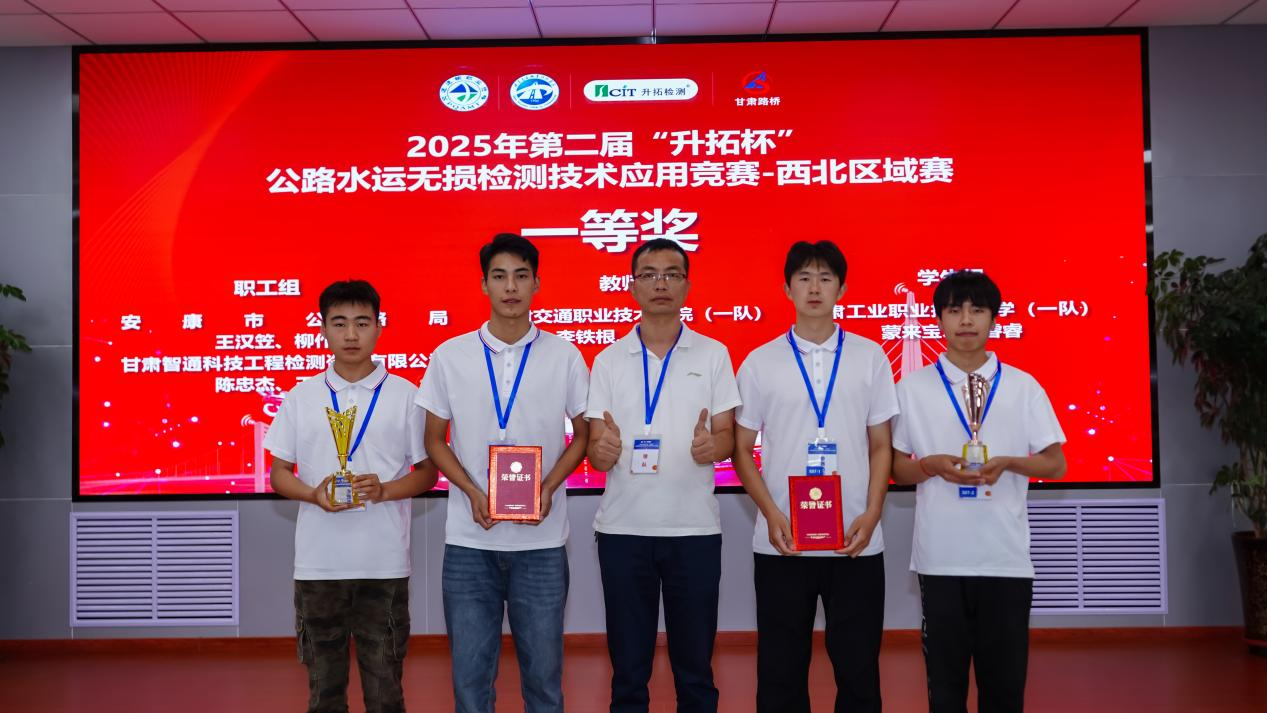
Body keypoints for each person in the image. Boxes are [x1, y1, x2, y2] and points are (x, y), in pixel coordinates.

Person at [416, 233, 590, 713]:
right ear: (484, 285)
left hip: (542, 543)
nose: (510, 286)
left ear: (537, 283)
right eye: (499, 276)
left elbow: (583, 434)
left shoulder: (565, 355)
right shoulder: (450, 355)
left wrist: (548, 486)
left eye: (520, 275)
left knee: (544, 683)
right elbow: (434, 439)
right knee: (470, 684)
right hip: (470, 542)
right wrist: (473, 491)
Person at [891, 270, 1068, 713]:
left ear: (994, 318)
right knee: (945, 690)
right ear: (938, 320)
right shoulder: (911, 388)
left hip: (1005, 559)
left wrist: (1009, 462)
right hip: (941, 559)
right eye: (954, 310)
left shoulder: (1023, 386)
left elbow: (1056, 463)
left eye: (977, 310)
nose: (966, 320)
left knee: (1004, 690)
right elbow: (895, 469)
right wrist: (930, 466)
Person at [732, 240, 897, 713]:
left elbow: (881, 444)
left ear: (841, 289)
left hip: (855, 538)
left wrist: (873, 512)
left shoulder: (870, 357)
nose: (815, 288)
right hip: (783, 540)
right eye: (804, 278)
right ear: (787, 289)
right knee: (780, 671)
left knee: (859, 669)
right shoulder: (760, 361)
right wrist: (771, 514)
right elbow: (742, 449)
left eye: (825, 278)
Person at [265, 279, 437, 713]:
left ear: (379, 327)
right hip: (318, 566)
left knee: (385, 693)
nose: (351, 334)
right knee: (324, 693)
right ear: (322, 328)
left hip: (384, 565)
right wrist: (313, 494)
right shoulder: (302, 396)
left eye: (362, 323)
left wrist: (384, 490)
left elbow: (427, 474)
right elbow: (278, 473)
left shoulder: (406, 395)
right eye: (339, 323)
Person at [585, 238, 741, 713]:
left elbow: (727, 436)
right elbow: (596, 449)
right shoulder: (609, 359)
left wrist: (714, 446)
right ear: (632, 286)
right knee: (628, 673)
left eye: (671, 274)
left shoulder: (713, 354)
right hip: (623, 532)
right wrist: (602, 451)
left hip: (693, 531)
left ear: (687, 286)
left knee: (695, 672)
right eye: (649, 274)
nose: (661, 283)